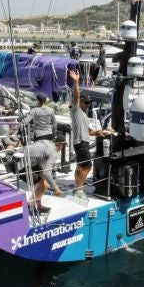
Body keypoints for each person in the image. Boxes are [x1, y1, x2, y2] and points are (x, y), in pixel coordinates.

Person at [68, 70, 111, 198]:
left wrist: (99, 132)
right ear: (80, 102)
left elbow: (89, 132)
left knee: (80, 166)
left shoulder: (85, 116)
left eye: (89, 103)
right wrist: (76, 82)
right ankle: (79, 190)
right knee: (88, 166)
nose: (88, 105)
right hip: (80, 142)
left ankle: (78, 188)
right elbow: (76, 96)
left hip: (83, 141)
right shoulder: (76, 110)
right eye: (86, 102)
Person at [24, 136, 65, 214]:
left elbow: (40, 158)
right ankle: (32, 206)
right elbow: (47, 172)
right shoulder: (53, 151)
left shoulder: (45, 141)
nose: (62, 147)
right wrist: (56, 188)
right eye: (63, 145)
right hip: (22, 166)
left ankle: (34, 204)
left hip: (19, 159)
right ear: (59, 144)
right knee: (44, 185)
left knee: (43, 178)